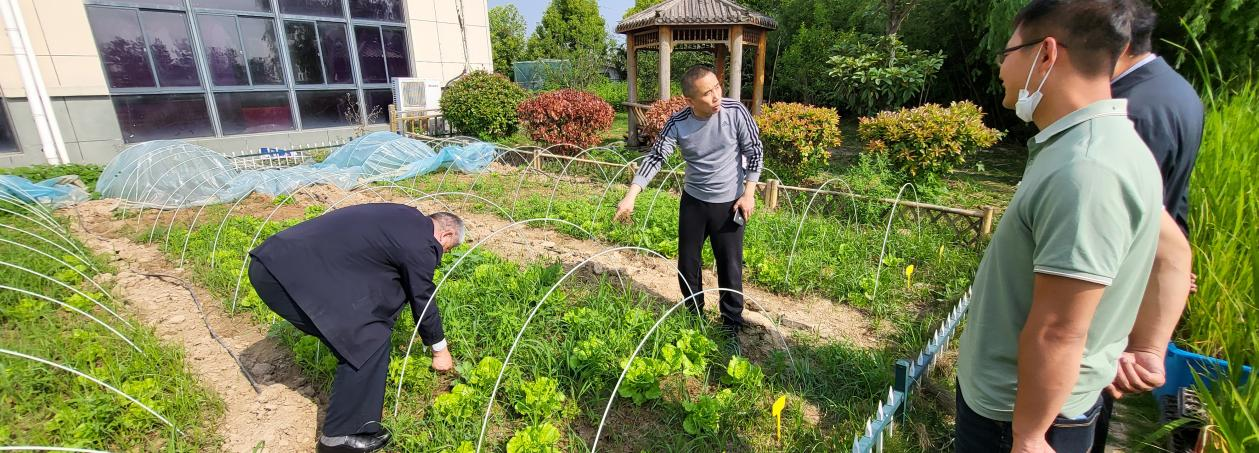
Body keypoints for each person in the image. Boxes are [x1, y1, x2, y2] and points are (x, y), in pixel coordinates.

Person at [955, 1, 1164, 451]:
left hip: (1018, 417)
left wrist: (1029, 437)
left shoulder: (1087, 169)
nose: (1000, 68)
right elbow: (1172, 251)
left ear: (1046, 53)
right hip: (1027, 408)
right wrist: (1146, 349)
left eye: (1007, 52)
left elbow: (1059, 330)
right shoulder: (1100, 146)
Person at [248, 203, 464, 453]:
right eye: (447, 249)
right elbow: (423, 298)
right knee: (367, 339)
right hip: (284, 278)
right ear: (446, 234)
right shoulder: (422, 244)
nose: (441, 255)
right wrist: (439, 350)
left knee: (359, 330)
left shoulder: (403, 216)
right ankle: (340, 438)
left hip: (275, 261)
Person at [1092, 0, 1203, 450]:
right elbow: (1174, 203)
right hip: (1137, 284)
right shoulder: (1175, 90)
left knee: (1084, 411)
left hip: (1109, 298)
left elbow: (1115, 222)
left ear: (1115, 44)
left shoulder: (1130, 111)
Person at [614, 65, 764, 337]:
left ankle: (731, 325)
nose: (716, 96)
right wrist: (631, 195)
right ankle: (694, 315)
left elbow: (754, 151)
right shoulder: (678, 122)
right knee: (688, 263)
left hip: (729, 203)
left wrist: (749, 193)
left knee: (730, 266)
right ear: (690, 100)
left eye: (717, 87)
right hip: (694, 202)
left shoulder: (735, 112)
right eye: (707, 93)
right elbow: (656, 157)